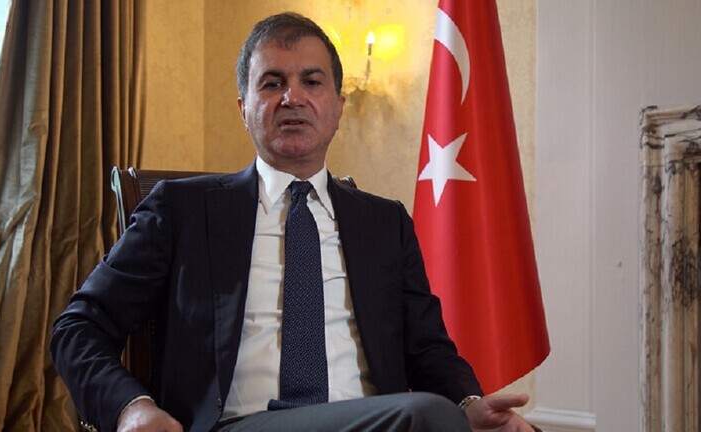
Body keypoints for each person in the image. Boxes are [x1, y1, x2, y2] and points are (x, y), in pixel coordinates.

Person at [51, 12, 537, 432]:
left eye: (312, 81)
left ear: (338, 108)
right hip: (242, 422)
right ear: (243, 110)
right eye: (272, 83)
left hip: (374, 420)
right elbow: (78, 327)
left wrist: (468, 405)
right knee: (426, 416)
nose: (292, 97)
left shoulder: (384, 223)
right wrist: (131, 407)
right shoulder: (182, 210)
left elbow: (428, 350)